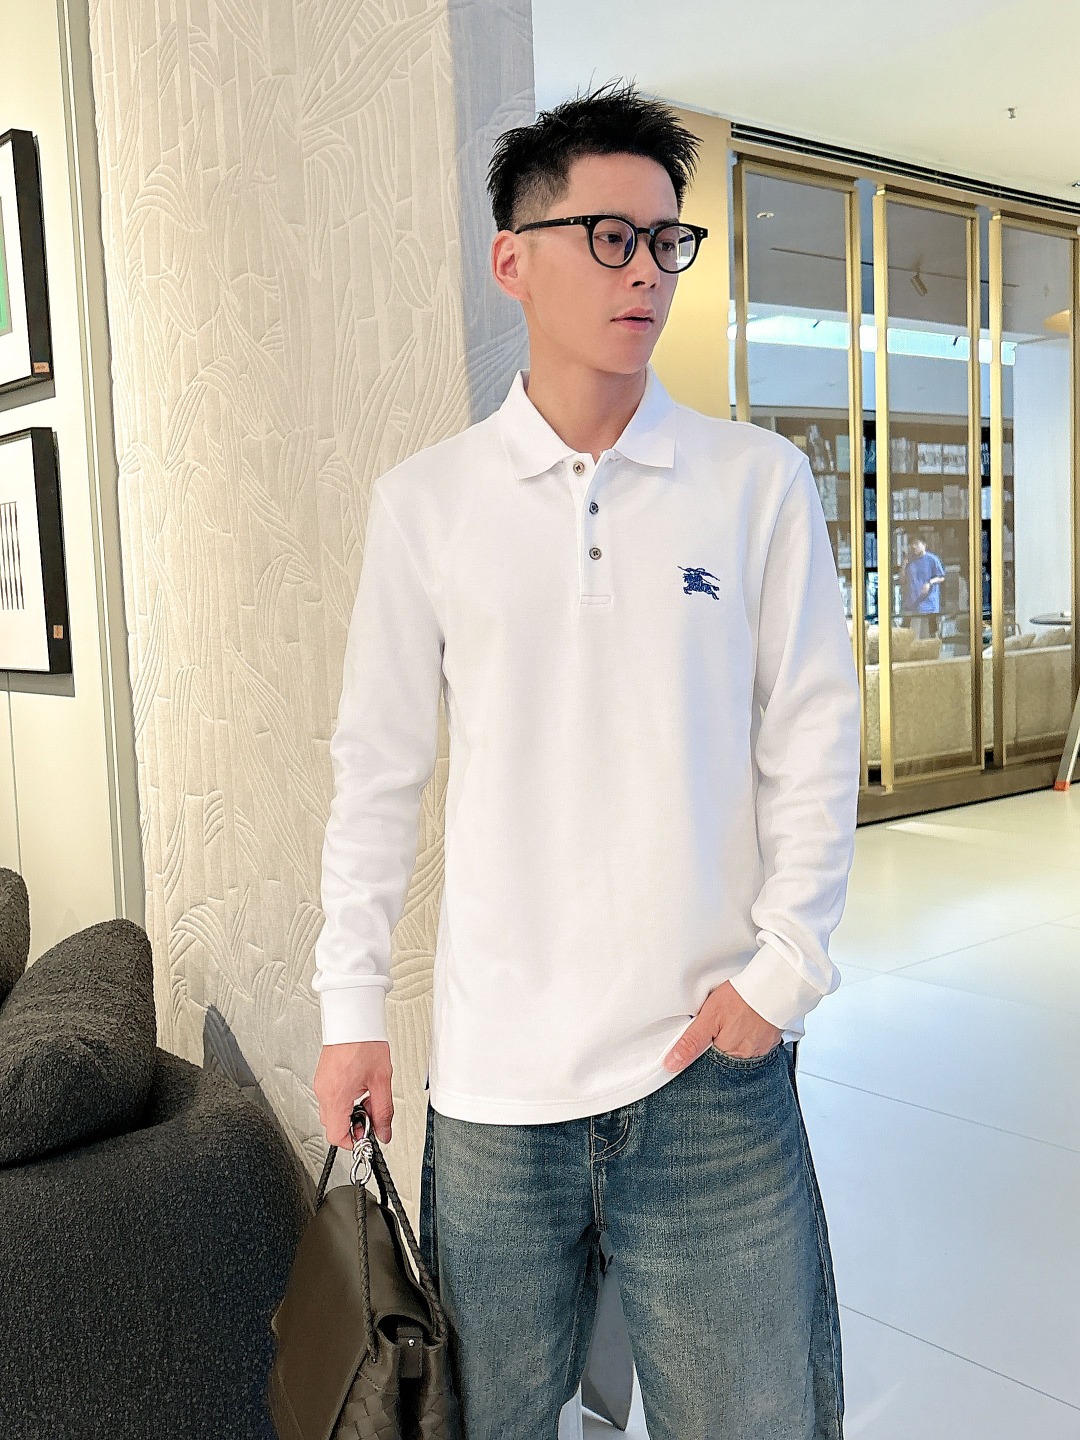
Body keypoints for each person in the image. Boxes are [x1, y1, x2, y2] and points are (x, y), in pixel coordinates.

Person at [312, 80, 862, 1440]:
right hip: (497, 1093)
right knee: (485, 1423)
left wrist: (783, 972)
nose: (647, 271)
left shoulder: (754, 484)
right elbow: (378, 767)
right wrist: (351, 1004)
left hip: (710, 1076)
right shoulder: (427, 505)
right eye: (610, 237)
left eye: (667, 240)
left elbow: (812, 732)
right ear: (514, 261)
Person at [903, 533, 945, 638]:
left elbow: (941, 577)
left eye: (916, 543)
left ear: (924, 545)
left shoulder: (932, 559)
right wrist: (904, 565)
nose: (914, 546)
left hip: (929, 603)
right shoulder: (910, 561)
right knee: (913, 635)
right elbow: (902, 579)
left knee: (930, 635)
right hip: (913, 604)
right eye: (912, 544)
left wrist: (929, 583)